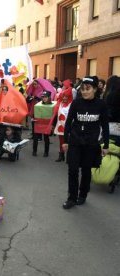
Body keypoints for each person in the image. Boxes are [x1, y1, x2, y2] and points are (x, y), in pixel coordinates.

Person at [62, 76, 109, 209]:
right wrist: (65, 140)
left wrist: (106, 145)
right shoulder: (76, 103)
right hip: (75, 141)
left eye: (88, 89)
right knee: (72, 170)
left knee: (87, 170)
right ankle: (71, 197)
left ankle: (82, 195)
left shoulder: (101, 105)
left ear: (95, 89)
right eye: (82, 89)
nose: (84, 92)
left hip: (91, 144)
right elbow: (68, 122)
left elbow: (105, 126)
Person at [51, 88, 73, 162]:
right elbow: (55, 115)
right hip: (60, 126)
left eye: (66, 96)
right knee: (61, 142)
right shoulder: (59, 104)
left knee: (69, 142)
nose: (64, 98)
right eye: (63, 96)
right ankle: (61, 155)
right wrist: (53, 125)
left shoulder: (71, 105)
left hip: (69, 127)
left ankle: (69, 157)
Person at [32, 91, 52, 157]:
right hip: (38, 123)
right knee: (35, 138)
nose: (44, 98)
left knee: (46, 138)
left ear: (49, 97)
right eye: (43, 97)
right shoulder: (38, 105)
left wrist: (53, 125)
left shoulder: (52, 106)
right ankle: (34, 151)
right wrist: (33, 118)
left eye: (45, 97)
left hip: (46, 124)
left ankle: (46, 152)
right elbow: (34, 114)